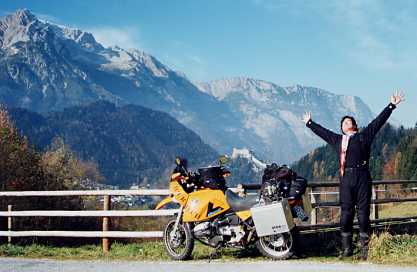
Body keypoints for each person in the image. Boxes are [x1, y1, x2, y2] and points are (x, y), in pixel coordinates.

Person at [302, 91, 405, 260]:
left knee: (363, 214)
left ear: (354, 125)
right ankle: (347, 249)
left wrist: (391, 105)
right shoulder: (338, 141)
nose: (346, 123)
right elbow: (323, 132)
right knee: (346, 214)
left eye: (348, 121)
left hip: (363, 177)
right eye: (343, 122)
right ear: (341, 128)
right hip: (346, 179)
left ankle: (366, 249)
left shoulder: (364, 136)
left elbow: (378, 122)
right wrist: (309, 123)